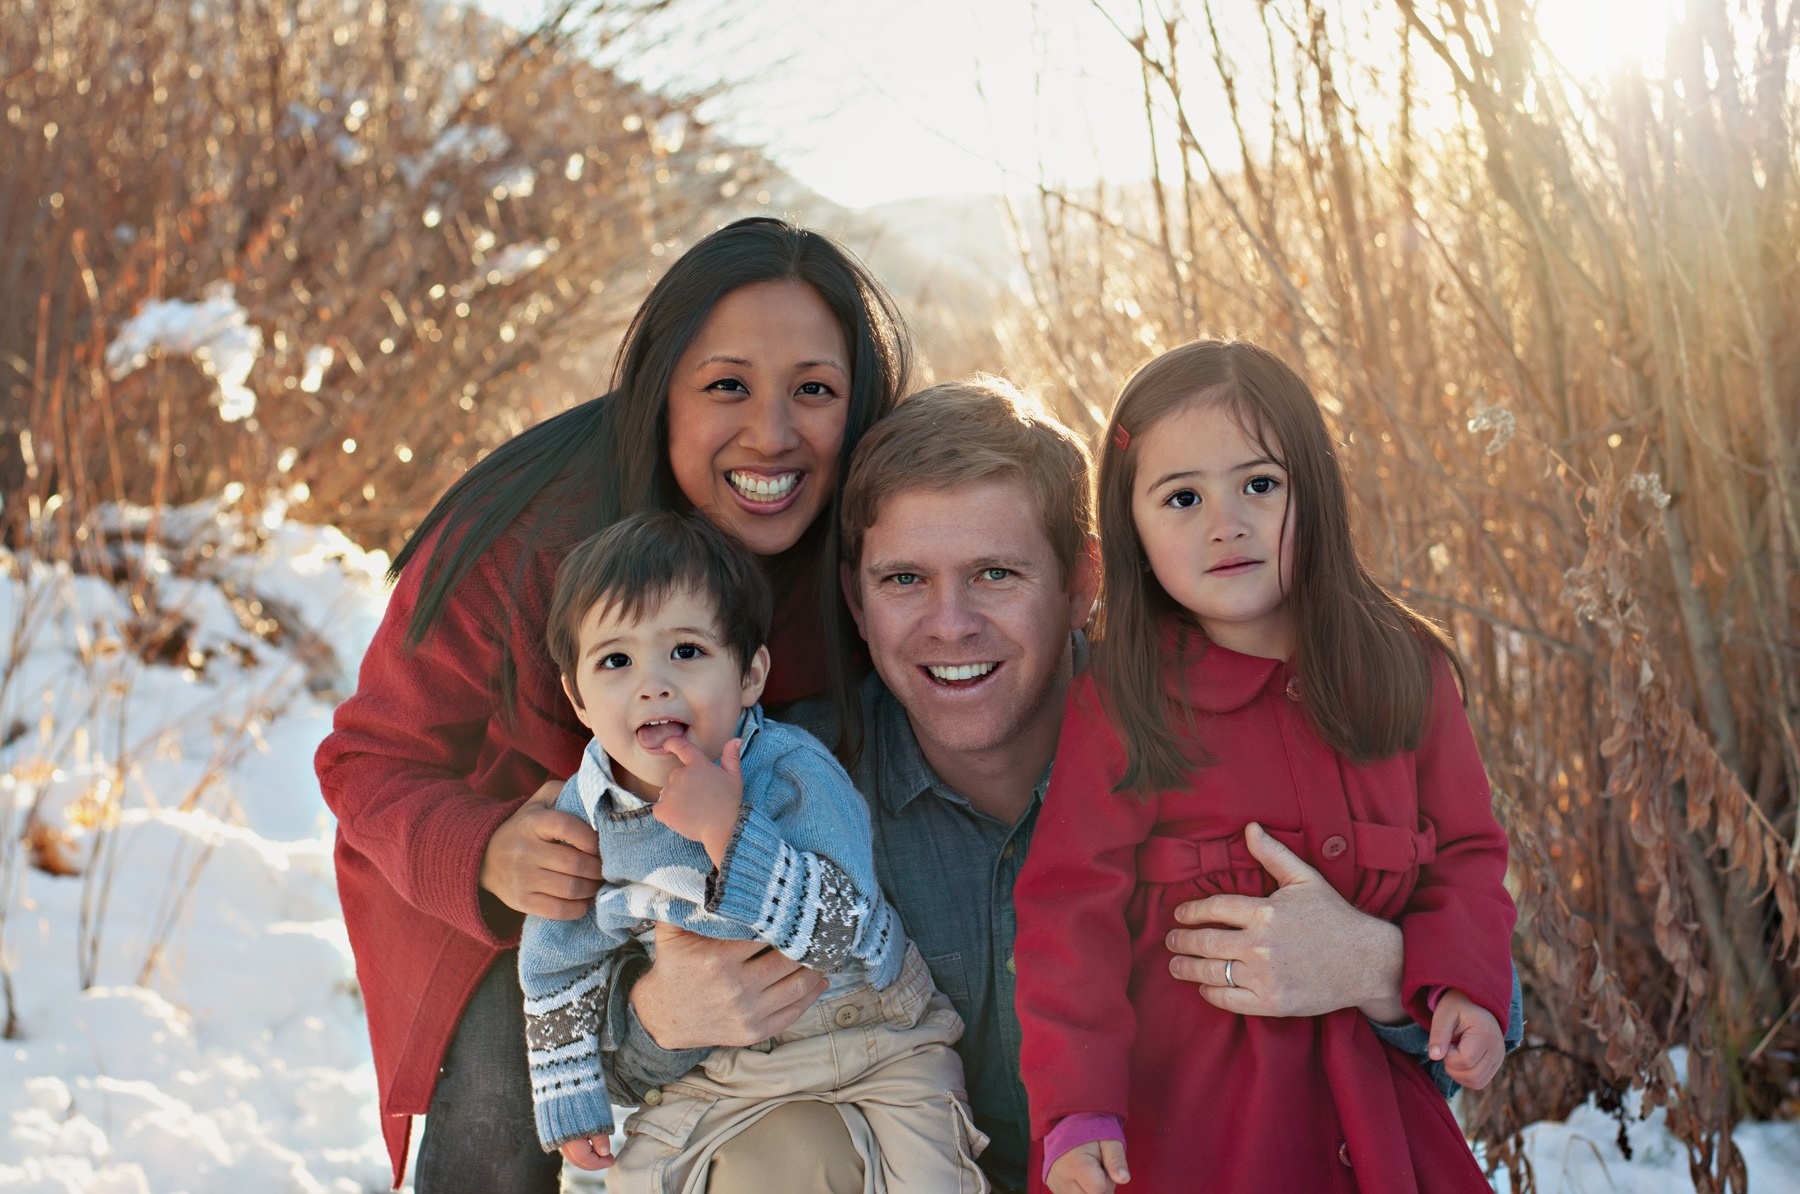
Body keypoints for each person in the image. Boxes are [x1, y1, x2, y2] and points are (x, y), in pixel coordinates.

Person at [606, 376, 1523, 1194]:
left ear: (1083, 581)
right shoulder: (771, 784)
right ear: (855, 598)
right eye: (905, 581)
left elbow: (1478, 994)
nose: (950, 625)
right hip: (889, 1169)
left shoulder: (1198, 727)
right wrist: (653, 1019)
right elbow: (575, 1019)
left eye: (996, 575)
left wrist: (1376, 967)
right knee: (781, 1157)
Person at [313, 217, 912, 1193]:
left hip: (764, 873)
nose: (772, 431)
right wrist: (486, 849)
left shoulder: (869, 527)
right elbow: (367, 758)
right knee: (511, 1096)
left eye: (814, 390)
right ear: (658, 388)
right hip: (538, 902)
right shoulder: (525, 535)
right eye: (727, 385)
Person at [1014, 340, 1517, 1194]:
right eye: (1182, 497)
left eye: (1259, 484)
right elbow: (1070, 917)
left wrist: (1461, 986)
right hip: (1195, 1135)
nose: (1226, 522)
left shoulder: (1406, 674)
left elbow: (1469, 857)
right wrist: (1076, 1109)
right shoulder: (1126, 706)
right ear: (1129, 527)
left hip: (1381, 1127)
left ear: (1312, 488)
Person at [519, 511, 987, 1192]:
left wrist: (728, 831)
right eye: (616, 661)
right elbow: (556, 961)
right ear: (578, 698)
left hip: (874, 1038)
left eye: (686, 651)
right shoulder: (586, 815)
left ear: (748, 675)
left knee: (933, 1181)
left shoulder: (790, 770)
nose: (653, 684)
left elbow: (844, 927)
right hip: (715, 1075)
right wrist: (570, 1094)